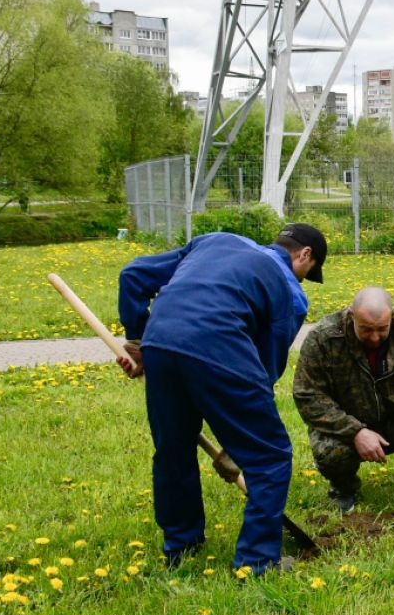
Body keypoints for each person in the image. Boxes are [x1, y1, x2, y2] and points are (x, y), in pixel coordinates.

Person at [117, 223, 328, 574]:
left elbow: (133, 276)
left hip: (161, 344)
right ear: (304, 255)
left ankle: (180, 548)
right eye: (309, 272)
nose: (304, 278)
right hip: (219, 346)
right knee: (270, 457)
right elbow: (266, 364)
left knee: (173, 450)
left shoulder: (215, 241)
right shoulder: (291, 292)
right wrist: (241, 439)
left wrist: (138, 341)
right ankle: (257, 563)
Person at [293, 287, 394, 513]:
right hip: (348, 422)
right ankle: (344, 489)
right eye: (366, 329)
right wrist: (355, 431)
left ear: (392, 315)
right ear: (351, 314)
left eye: (382, 329)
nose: (374, 337)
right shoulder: (323, 339)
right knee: (331, 452)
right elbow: (307, 395)